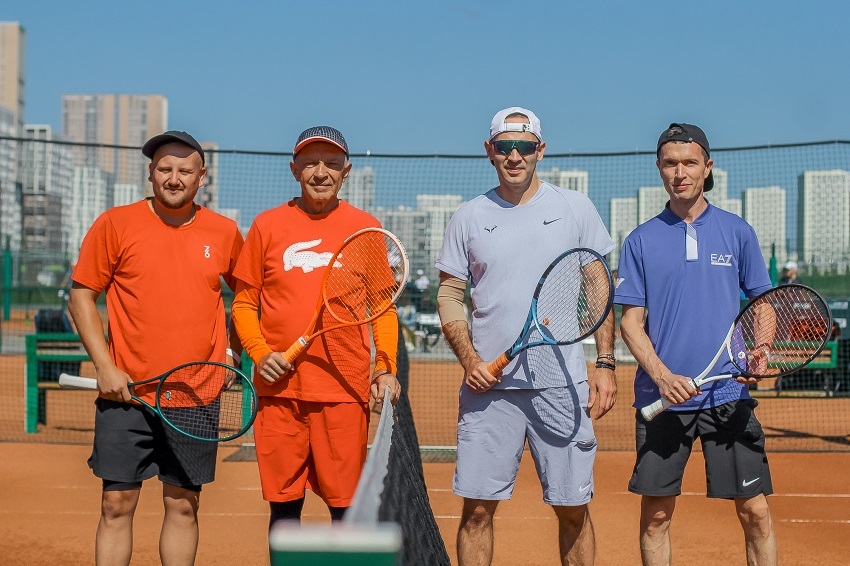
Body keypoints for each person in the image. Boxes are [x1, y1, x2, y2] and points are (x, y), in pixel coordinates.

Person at [436, 107, 617, 565]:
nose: (514, 156)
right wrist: (470, 360)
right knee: (477, 511)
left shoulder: (575, 208)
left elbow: (597, 283)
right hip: (490, 390)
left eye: (523, 146)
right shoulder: (468, 217)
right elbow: (450, 293)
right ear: (489, 151)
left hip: (562, 383)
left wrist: (605, 362)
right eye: (504, 147)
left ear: (540, 149)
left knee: (572, 508)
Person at [67, 130, 244, 565]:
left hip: (196, 394)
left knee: (183, 504)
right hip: (126, 392)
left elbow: (248, 298)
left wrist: (232, 355)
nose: (173, 177)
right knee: (116, 505)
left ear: (201, 177)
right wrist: (106, 367)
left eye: (185, 170)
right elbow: (81, 295)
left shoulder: (224, 232)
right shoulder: (115, 223)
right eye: (164, 168)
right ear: (150, 172)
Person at [615, 123, 777, 566]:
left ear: (708, 167)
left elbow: (763, 303)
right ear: (659, 169)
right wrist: (663, 378)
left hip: (727, 395)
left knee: (756, 513)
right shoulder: (640, 240)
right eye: (670, 163)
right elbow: (630, 323)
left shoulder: (737, 231)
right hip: (662, 398)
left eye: (689, 162)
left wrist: (760, 350)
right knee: (655, 518)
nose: (679, 172)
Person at [230, 126, 401, 531]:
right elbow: (243, 302)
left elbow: (382, 308)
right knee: (283, 513)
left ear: (347, 171)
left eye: (331, 164)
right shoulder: (266, 225)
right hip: (279, 393)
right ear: (294, 170)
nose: (320, 172)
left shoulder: (367, 229)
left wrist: (385, 367)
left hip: (342, 392)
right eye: (310, 163)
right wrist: (258, 352)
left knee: (345, 513)